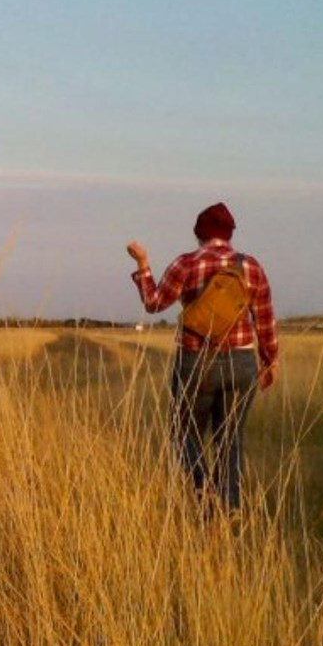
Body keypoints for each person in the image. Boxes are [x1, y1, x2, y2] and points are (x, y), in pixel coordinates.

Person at [126, 202, 279, 511]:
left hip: (196, 361)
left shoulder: (186, 264)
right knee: (230, 436)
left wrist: (143, 263)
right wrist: (270, 360)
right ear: (230, 234)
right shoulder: (251, 267)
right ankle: (231, 507)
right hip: (243, 363)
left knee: (183, 433)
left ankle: (204, 490)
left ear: (199, 234)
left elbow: (154, 303)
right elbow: (264, 319)